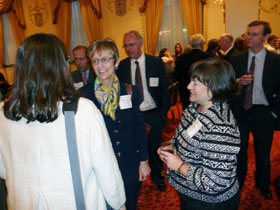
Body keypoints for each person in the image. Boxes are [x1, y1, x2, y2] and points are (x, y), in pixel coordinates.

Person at [0, 33, 126, 210]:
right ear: (59, 66)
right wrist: (118, 203)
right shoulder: (83, 110)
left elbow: (4, 170)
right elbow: (106, 169)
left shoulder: (4, 112)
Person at [158, 58, 241, 210]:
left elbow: (214, 183)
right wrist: (171, 145)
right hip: (191, 194)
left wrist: (179, 165)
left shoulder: (221, 127)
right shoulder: (194, 107)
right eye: (191, 80)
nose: (189, 86)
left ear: (214, 87)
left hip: (210, 203)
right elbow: (180, 136)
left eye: (195, 83)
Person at [79, 38, 150, 210]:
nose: (100, 65)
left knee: (130, 205)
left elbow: (138, 127)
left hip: (129, 163)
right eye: (95, 61)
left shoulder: (130, 90)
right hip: (100, 168)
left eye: (105, 59)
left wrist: (144, 161)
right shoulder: (83, 96)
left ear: (116, 61)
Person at [229, 20, 280, 200]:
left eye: (254, 34)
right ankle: (238, 182)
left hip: (263, 113)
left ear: (265, 37)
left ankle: (262, 183)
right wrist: (237, 83)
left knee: (263, 152)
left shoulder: (275, 61)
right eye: (248, 33)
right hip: (241, 112)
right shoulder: (236, 59)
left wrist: (274, 112)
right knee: (239, 151)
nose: (249, 37)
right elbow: (226, 86)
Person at [117, 30, 170, 192]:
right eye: (125, 46)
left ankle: (157, 177)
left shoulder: (155, 62)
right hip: (133, 115)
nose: (128, 49)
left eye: (131, 45)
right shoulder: (123, 66)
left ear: (141, 43)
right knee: (133, 149)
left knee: (154, 149)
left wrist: (162, 115)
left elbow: (164, 91)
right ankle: (136, 180)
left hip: (153, 113)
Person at [174, 34, 212, 110]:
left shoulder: (182, 57)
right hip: (204, 92)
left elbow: (176, 74)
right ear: (201, 44)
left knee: (187, 113)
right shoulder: (208, 57)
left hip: (186, 90)